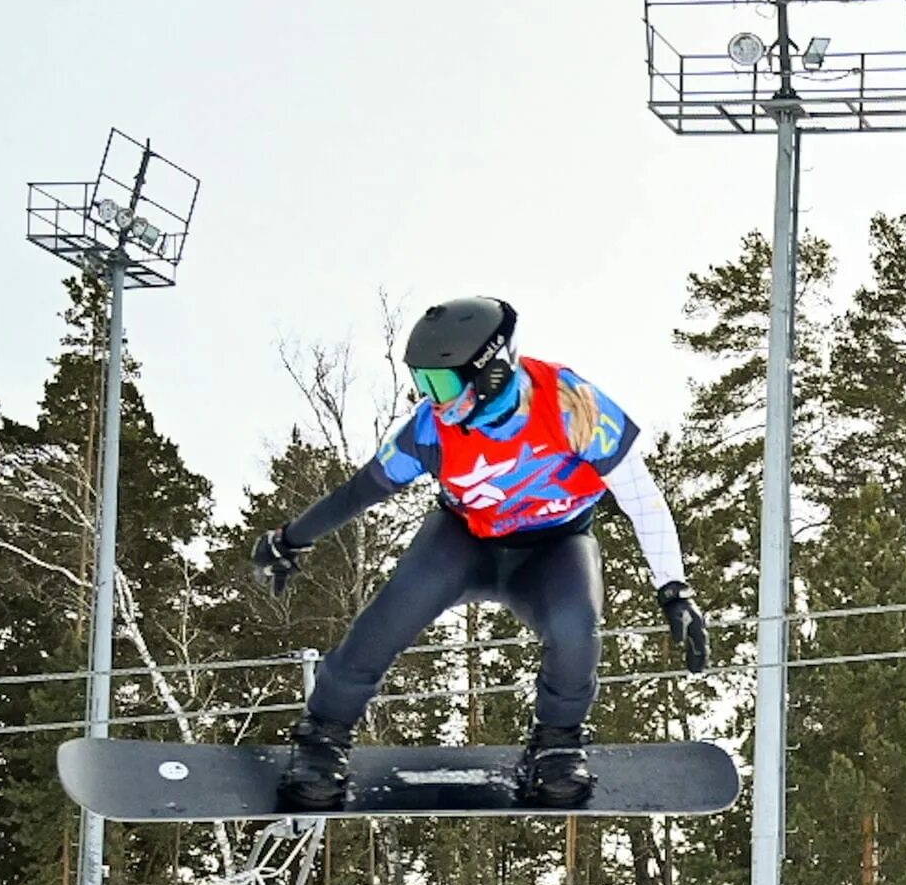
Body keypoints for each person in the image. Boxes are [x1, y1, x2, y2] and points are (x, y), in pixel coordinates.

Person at [249, 299, 709, 810]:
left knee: (576, 629)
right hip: (463, 540)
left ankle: (556, 745)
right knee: (385, 621)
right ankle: (322, 739)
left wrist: (674, 589)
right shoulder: (430, 430)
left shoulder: (571, 405)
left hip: (553, 547)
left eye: (441, 385)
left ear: (490, 372)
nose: (430, 399)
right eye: (423, 383)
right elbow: (362, 491)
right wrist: (290, 538)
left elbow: (640, 496)